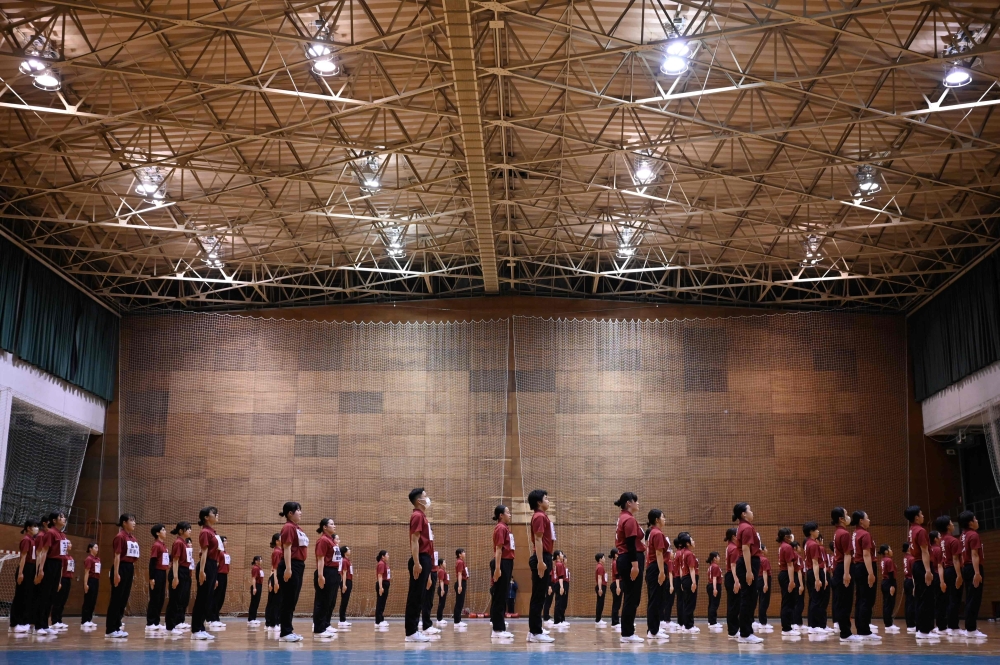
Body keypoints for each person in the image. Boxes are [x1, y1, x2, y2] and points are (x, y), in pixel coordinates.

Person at [405, 488, 435, 642]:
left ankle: (414, 630)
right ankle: (411, 632)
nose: (427, 498)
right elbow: (414, 540)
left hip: (425, 560)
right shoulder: (417, 516)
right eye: (425, 496)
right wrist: (417, 562)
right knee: (415, 597)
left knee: (420, 596)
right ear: (418, 501)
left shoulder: (423, 517)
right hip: (420, 559)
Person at [614, 492, 645, 644]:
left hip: (626, 559)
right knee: (632, 597)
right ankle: (627, 633)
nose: (638, 504)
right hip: (630, 559)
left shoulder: (623, 517)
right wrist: (635, 564)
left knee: (631, 597)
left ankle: (627, 631)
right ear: (628, 503)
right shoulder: (629, 519)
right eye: (636, 501)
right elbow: (631, 544)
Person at [527, 488, 556, 643]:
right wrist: (540, 562)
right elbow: (538, 540)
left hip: (544, 557)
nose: (548, 500)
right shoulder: (539, 516)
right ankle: (535, 632)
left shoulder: (542, 516)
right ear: (539, 502)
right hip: (542, 558)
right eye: (546, 498)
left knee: (539, 596)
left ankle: (534, 629)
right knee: (538, 597)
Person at [277, 501, 307, 642]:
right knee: (288, 600)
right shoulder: (288, 527)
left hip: (298, 565)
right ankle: (285, 632)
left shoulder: (297, 528)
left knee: (292, 599)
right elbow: (287, 548)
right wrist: (288, 568)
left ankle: (288, 630)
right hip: (291, 565)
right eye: (298, 510)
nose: (300, 512)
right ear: (290, 513)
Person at [905, 505, 936, 641]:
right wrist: (928, 570)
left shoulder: (911, 530)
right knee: (925, 598)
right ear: (916, 517)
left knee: (921, 597)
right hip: (922, 565)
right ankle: (923, 631)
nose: (923, 516)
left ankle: (923, 628)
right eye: (921, 514)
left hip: (917, 565)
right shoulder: (921, 530)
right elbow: (924, 551)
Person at [34, 512, 68, 636]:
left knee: (51, 596)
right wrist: (41, 570)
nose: (64, 519)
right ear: (54, 520)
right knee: (44, 595)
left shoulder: (63, 535)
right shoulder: (51, 533)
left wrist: (59, 578)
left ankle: (45, 624)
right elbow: (44, 552)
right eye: (61, 517)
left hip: (58, 564)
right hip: (49, 564)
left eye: (64, 517)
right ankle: (38, 625)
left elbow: (62, 557)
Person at [733, 503, 762, 643]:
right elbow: (745, 549)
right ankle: (745, 634)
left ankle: (746, 631)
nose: (752, 512)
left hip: (747, 564)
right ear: (743, 514)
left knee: (750, 598)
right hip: (747, 565)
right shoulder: (746, 528)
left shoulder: (744, 527)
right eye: (749, 509)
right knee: (748, 599)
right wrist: (749, 570)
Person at [191, 507, 221, 641]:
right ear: (206, 517)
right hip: (206, 565)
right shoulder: (205, 532)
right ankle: (196, 629)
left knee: (207, 598)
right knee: (202, 598)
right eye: (214, 514)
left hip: (212, 565)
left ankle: (201, 628)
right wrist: (202, 571)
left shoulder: (212, 532)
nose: (216, 515)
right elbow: (203, 553)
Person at [106, 513, 138, 639]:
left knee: (123, 599)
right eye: (131, 520)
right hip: (121, 567)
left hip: (129, 568)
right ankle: (110, 629)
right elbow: (117, 556)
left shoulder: (133, 538)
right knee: (116, 599)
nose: (134, 522)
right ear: (124, 522)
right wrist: (116, 573)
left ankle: (117, 627)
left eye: (134, 520)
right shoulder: (120, 537)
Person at [850, 511, 879, 641]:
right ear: (861, 521)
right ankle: (864, 631)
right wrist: (871, 573)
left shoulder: (855, 533)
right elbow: (866, 555)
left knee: (861, 598)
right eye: (867, 518)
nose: (869, 520)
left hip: (857, 567)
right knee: (867, 599)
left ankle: (861, 627)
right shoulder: (865, 534)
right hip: (865, 567)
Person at [957, 510, 985, 639]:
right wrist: (977, 572)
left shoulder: (962, 536)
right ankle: (971, 629)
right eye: (975, 519)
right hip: (973, 568)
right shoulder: (973, 535)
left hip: (966, 568)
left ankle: (969, 627)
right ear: (970, 522)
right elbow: (974, 554)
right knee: (974, 598)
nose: (977, 521)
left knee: (970, 598)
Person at [934, 515, 962, 635]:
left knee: (946, 600)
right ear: (947, 526)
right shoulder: (953, 541)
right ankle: (953, 627)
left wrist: (941, 581)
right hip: (953, 571)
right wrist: (959, 575)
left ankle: (946, 626)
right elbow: (956, 560)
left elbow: (940, 564)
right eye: (951, 522)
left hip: (945, 572)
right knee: (954, 599)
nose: (953, 524)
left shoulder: (941, 542)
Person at [643, 509, 669, 641]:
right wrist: (662, 572)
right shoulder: (657, 533)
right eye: (663, 517)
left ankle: (654, 629)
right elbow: (659, 554)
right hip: (656, 568)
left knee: (657, 600)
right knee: (654, 600)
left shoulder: (653, 532)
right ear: (657, 520)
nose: (665, 519)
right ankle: (653, 631)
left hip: (653, 568)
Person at [490, 505, 515, 639]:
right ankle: (497, 629)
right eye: (507, 512)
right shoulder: (500, 527)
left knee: (502, 595)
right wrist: (498, 568)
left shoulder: (505, 528)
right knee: (499, 596)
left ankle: (499, 626)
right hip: (502, 563)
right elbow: (498, 549)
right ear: (501, 515)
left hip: (507, 562)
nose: (509, 514)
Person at [312, 517, 339, 638]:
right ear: (325, 527)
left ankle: (324, 626)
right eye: (332, 524)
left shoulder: (331, 541)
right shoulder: (323, 540)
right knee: (321, 601)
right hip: (326, 572)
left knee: (328, 602)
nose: (334, 526)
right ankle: (318, 629)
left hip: (333, 572)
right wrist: (321, 575)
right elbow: (321, 559)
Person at [830, 507, 855, 642]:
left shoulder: (838, 532)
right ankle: (845, 634)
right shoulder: (844, 534)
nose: (848, 516)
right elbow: (847, 554)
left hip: (839, 569)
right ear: (841, 518)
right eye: (846, 514)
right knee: (845, 602)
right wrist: (846, 573)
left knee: (843, 601)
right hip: (842, 569)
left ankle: (846, 632)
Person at [11, 518, 39, 634]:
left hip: (31, 569)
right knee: (20, 596)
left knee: (27, 596)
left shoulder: (33, 540)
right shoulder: (26, 540)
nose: (37, 528)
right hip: (25, 568)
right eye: (34, 526)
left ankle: (23, 621)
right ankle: (14, 623)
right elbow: (23, 557)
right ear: (28, 528)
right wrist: (21, 573)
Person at [166, 522, 193, 635]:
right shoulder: (178, 543)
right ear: (181, 531)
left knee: (181, 599)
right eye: (188, 529)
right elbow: (175, 561)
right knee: (174, 600)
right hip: (179, 572)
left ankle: (176, 623)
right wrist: (176, 577)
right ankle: (170, 627)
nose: (190, 531)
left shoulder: (185, 543)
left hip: (185, 572)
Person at [802, 522, 825, 635]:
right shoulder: (814, 544)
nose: (818, 531)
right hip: (815, 572)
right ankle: (814, 626)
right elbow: (815, 563)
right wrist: (817, 579)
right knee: (816, 599)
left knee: (813, 599)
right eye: (816, 529)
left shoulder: (807, 543)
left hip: (810, 572)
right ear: (811, 531)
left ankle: (813, 624)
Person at [147, 524, 169, 634]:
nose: (165, 531)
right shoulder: (156, 545)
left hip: (163, 573)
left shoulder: (164, 545)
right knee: (154, 598)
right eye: (163, 530)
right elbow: (152, 562)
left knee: (160, 598)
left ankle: (156, 621)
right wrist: (151, 577)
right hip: (156, 573)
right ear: (157, 533)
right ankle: (150, 623)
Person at [776, 528, 797, 636]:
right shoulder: (787, 547)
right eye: (789, 534)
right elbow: (790, 565)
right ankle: (786, 628)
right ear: (785, 536)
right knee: (787, 602)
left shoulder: (782, 546)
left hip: (784, 575)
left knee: (788, 601)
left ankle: (788, 626)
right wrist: (792, 581)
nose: (791, 536)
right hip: (786, 575)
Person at [677, 532, 698, 633]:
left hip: (685, 579)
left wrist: (682, 581)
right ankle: (688, 626)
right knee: (690, 603)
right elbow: (691, 569)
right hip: (689, 578)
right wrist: (694, 582)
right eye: (692, 540)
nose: (693, 541)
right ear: (688, 543)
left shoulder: (683, 552)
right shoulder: (689, 554)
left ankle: (687, 624)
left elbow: (682, 569)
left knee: (687, 602)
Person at [208, 535, 230, 631]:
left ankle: (216, 618)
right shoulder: (219, 552)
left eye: (226, 541)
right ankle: (212, 618)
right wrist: (215, 578)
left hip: (225, 576)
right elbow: (216, 566)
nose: (226, 542)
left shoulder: (225, 552)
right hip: (219, 575)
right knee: (216, 597)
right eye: (224, 541)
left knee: (221, 597)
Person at [51, 541, 74, 631]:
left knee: (63, 600)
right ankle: (54, 621)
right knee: (58, 600)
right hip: (62, 579)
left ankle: (59, 620)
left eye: (70, 543)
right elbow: (60, 569)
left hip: (68, 579)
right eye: (68, 543)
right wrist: (59, 581)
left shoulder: (70, 557)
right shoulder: (62, 557)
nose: (70, 545)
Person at [879, 545, 899, 633]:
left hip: (884, 582)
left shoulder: (883, 560)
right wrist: (892, 586)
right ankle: (888, 624)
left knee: (886, 603)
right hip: (889, 582)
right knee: (889, 603)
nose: (891, 550)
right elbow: (891, 573)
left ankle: (888, 623)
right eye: (890, 549)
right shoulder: (889, 560)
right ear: (886, 551)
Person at [723, 526, 739, 638]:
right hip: (732, 577)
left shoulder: (730, 546)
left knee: (733, 604)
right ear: (734, 536)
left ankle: (733, 630)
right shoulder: (734, 548)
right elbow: (733, 566)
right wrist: (737, 581)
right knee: (733, 605)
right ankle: (733, 631)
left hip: (730, 577)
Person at [264, 533, 282, 632]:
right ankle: (272, 623)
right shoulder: (277, 552)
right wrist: (274, 582)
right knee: (274, 602)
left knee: (275, 601)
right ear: (277, 541)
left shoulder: (280, 551)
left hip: (276, 578)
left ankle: (271, 623)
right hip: (276, 578)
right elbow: (274, 568)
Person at [755, 545, 772, 633]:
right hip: (763, 580)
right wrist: (766, 584)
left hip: (758, 580)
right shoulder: (764, 560)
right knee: (764, 601)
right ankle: (763, 623)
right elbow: (765, 572)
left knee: (761, 600)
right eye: (765, 548)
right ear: (762, 550)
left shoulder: (757, 559)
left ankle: (762, 621)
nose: (767, 550)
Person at [706, 551, 723, 632]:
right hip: (714, 585)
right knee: (714, 604)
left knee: (711, 604)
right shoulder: (715, 566)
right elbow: (715, 578)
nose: (719, 558)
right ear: (714, 558)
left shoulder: (711, 566)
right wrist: (715, 588)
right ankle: (713, 622)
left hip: (710, 585)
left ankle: (711, 621)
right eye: (718, 556)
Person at [375, 550, 391, 629]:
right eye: (387, 555)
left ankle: (381, 619)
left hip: (385, 584)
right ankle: (378, 621)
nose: (388, 556)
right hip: (382, 584)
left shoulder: (384, 564)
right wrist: (381, 587)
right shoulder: (381, 564)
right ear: (383, 556)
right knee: (380, 603)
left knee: (382, 603)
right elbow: (380, 576)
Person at [453, 548, 469, 627]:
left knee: (460, 602)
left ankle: (458, 620)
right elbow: (459, 574)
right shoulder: (460, 562)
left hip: (462, 582)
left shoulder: (461, 562)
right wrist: (460, 585)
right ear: (459, 554)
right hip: (461, 583)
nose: (465, 553)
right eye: (463, 552)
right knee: (459, 602)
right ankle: (457, 621)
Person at [338, 545, 353, 628]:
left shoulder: (348, 560)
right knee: (344, 600)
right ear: (344, 552)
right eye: (348, 549)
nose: (350, 550)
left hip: (349, 581)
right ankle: (342, 620)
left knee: (346, 600)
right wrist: (344, 585)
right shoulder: (344, 561)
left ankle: (343, 619)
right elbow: (344, 573)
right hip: (346, 581)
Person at [902, 542, 916, 633]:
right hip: (911, 581)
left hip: (906, 580)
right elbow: (914, 573)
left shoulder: (905, 558)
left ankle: (909, 624)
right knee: (911, 603)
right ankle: (911, 624)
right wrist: (915, 586)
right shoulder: (912, 559)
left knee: (908, 602)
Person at [791, 541, 805, 631]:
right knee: (799, 602)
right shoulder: (797, 556)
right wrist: (801, 585)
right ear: (795, 548)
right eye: (799, 546)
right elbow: (799, 571)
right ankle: (796, 622)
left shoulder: (791, 555)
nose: (801, 548)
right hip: (798, 579)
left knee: (795, 601)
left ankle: (798, 622)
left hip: (793, 579)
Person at [248, 555, 264, 627]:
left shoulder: (259, 568)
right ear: (256, 561)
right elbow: (253, 578)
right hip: (256, 585)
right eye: (260, 559)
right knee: (254, 602)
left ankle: (254, 618)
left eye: (261, 559)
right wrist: (254, 588)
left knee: (256, 602)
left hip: (260, 585)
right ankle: (251, 619)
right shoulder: (255, 568)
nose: (261, 561)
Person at [608, 550, 621, 631]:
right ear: (615, 555)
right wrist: (618, 587)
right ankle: (615, 622)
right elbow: (616, 576)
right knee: (616, 604)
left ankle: (616, 621)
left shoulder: (615, 562)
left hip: (616, 584)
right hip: (616, 584)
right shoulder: (615, 562)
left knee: (617, 604)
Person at [435, 556, 450, 626]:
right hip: (442, 588)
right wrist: (442, 589)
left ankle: (440, 618)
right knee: (441, 604)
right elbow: (441, 581)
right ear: (440, 564)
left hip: (445, 587)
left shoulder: (443, 571)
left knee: (442, 604)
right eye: (444, 562)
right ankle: (439, 619)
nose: (445, 563)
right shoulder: (441, 571)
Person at [595, 553, 607, 627]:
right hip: (601, 586)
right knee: (600, 603)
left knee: (600, 603)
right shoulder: (600, 567)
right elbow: (599, 578)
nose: (604, 559)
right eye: (603, 557)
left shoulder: (600, 566)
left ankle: (599, 619)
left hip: (602, 586)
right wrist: (600, 588)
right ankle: (598, 620)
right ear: (600, 559)